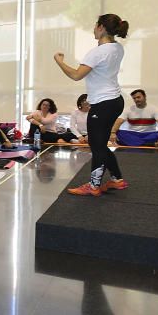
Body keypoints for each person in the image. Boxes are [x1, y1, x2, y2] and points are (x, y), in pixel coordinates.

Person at [54, 14, 130, 196]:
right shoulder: (117, 48)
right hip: (114, 100)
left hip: (103, 104)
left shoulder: (98, 52)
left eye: (95, 25)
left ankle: (94, 186)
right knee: (101, 145)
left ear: (102, 27)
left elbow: (76, 75)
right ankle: (117, 180)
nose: (93, 29)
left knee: (97, 147)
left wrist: (59, 61)